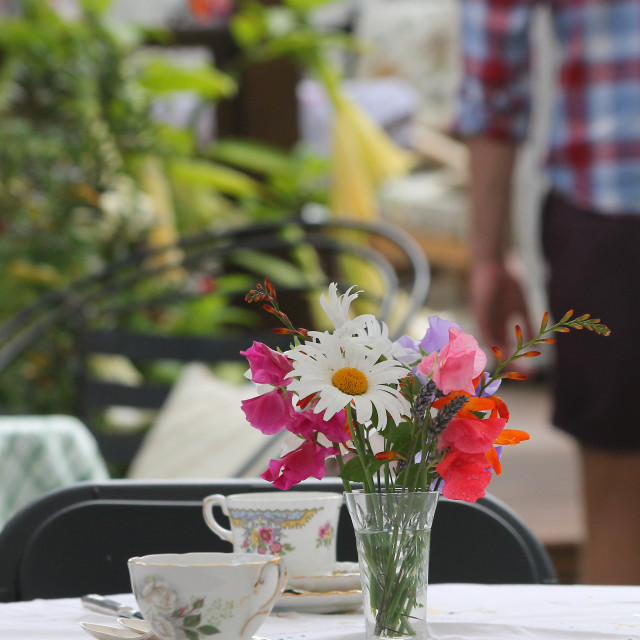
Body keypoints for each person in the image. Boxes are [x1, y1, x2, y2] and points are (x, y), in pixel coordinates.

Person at [455, 0, 640, 584]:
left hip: (609, 212)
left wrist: (487, 252)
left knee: (619, 498)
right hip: (607, 210)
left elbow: (493, 71)